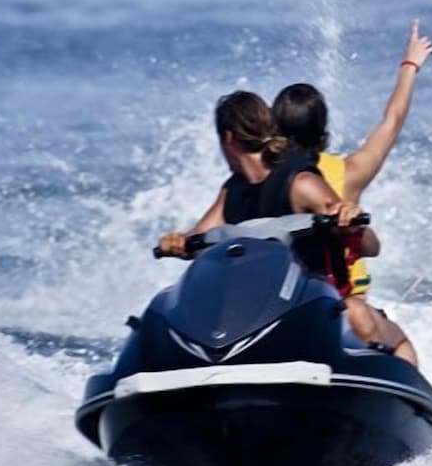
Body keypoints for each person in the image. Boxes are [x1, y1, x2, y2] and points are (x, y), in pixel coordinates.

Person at [157, 91, 411, 360]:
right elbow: (198, 237)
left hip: (320, 304)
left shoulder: (301, 183)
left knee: (357, 314)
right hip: (261, 314)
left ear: (228, 139)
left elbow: (372, 247)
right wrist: (177, 242)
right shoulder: (232, 191)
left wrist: (350, 225)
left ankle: (402, 356)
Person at [271, 20, 432, 364]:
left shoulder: (265, 181)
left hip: (282, 313)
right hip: (347, 313)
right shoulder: (348, 173)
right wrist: (410, 65)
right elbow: (392, 121)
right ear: (322, 130)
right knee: (401, 344)